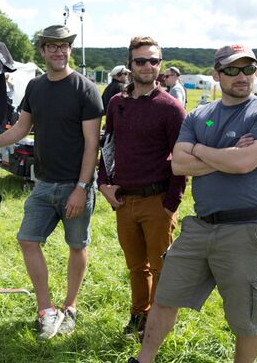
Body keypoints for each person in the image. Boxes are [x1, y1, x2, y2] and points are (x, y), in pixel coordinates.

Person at [131, 44, 257, 363]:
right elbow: (178, 165)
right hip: (200, 227)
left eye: (249, 69)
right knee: (165, 296)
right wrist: (228, 153)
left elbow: (243, 163)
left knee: (247, 316)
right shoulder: (199, 115)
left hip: (247, 228)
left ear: (256, 72)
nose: (241, 76)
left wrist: (200, 150)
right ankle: (143, 359)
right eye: (231, 69)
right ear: (217, 74)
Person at [0, 24, 103, 340]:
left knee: (77, 246)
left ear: (69, 50)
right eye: (52, 46)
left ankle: (70, 307)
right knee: (27, 240)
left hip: (76, 185)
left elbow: (92, 144)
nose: (59, 51)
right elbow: (22, 129)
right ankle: (46, 310)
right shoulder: (35, 87)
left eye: (64, 46)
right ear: (43, 50)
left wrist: (81, 188)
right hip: (43, 184)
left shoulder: (86, 89)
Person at [97, 36, 186, 338]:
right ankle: (138, 317)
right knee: (136, 267)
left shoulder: (171, 108)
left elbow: (181, 159)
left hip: (157, 200)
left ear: (160, 64)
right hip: (124, 201)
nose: (148, 66)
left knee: (161, 269)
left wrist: (170, 204)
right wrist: (103, 183)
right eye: (141, 60)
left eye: (154, 60)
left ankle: (157, 326)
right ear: (130, 64)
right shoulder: (117, 103)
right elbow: (108, 146)